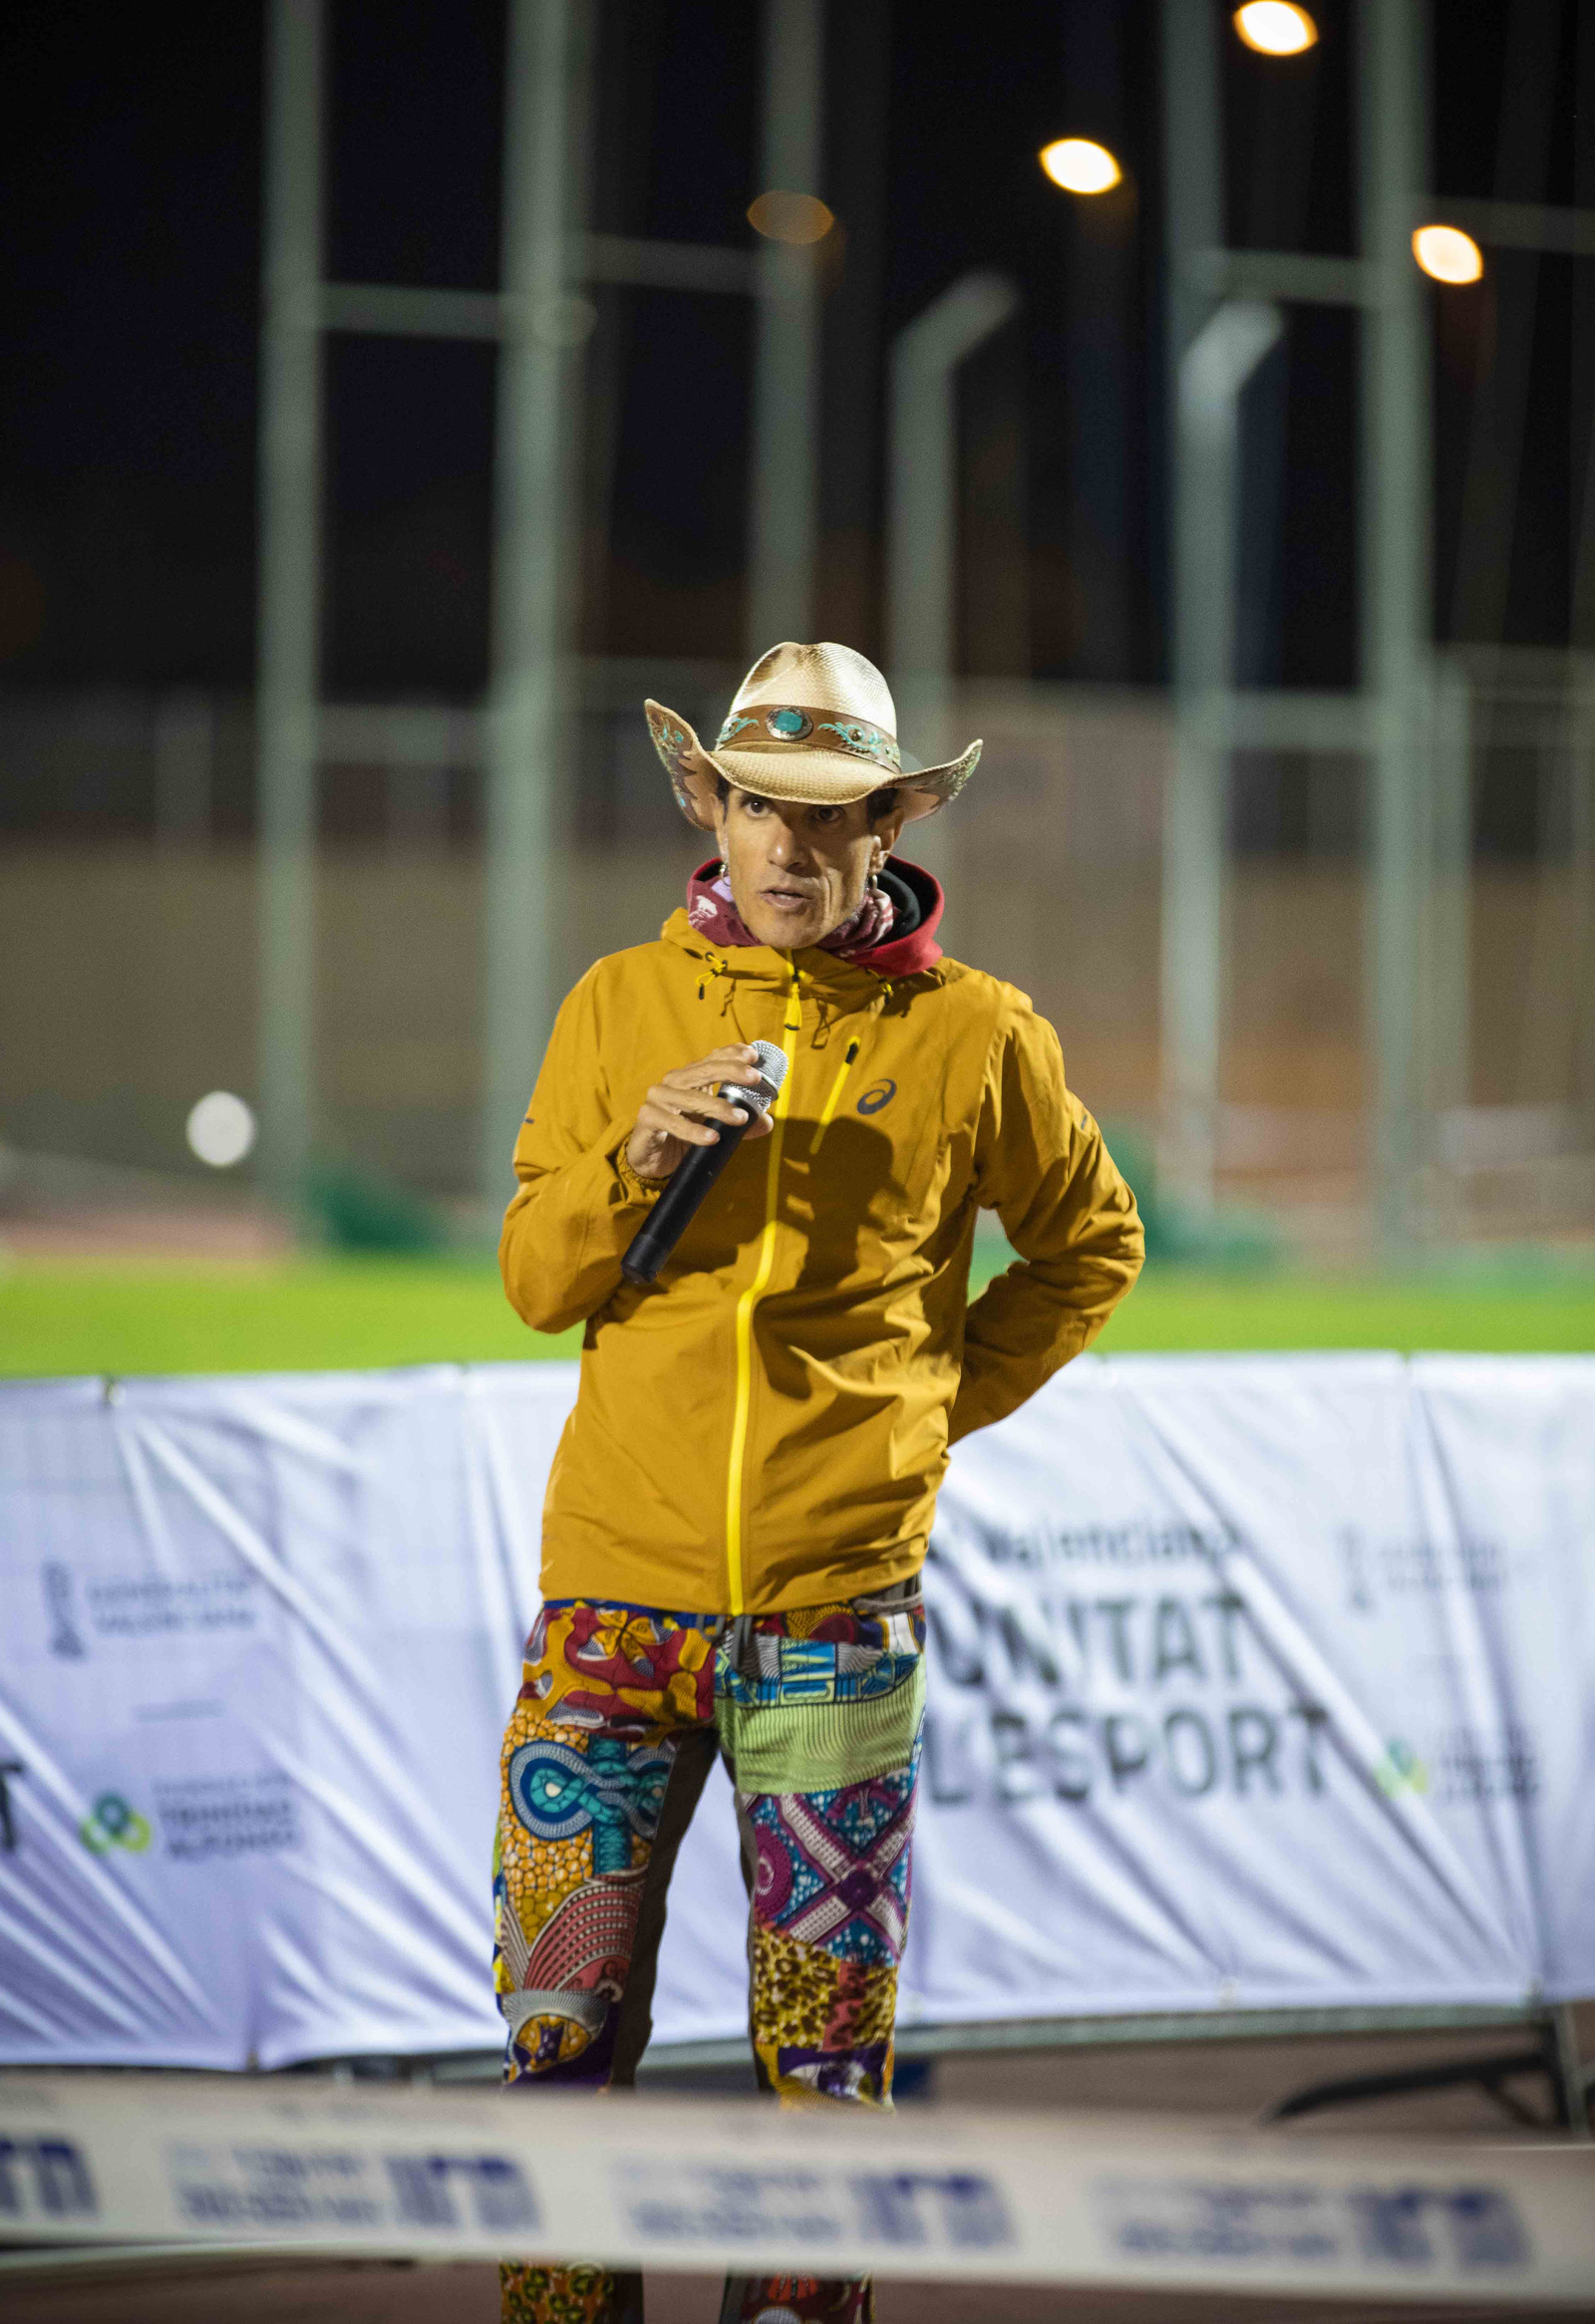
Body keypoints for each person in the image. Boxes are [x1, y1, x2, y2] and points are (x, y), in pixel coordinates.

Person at [493, 641, 1143, 2324]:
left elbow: (1094, 1246)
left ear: (893, 824)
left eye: (832, 812)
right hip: (608, 1614)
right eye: (758, 805)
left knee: (828, 2071)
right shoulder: (613, 1006)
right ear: (705, 806)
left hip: (833, 1625)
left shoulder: (979, 1032)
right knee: (558, 2047)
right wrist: (634, 1153)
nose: (789, 845)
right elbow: (535, 1279)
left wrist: (925, 1410)